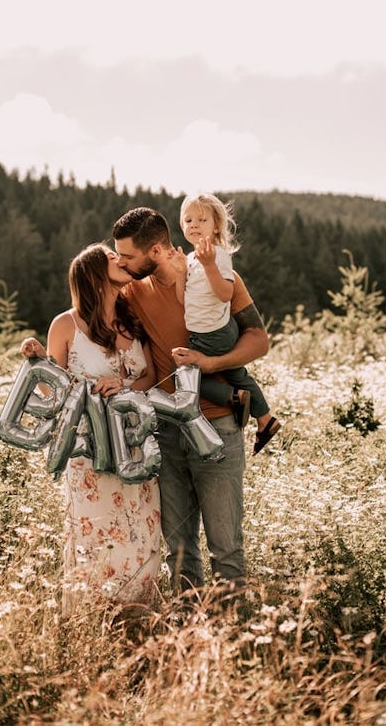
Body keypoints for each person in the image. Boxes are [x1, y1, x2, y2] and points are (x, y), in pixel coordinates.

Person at [112, 207, 270, 593]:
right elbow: (88, 312)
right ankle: (187, 633)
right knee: (178, 550)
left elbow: (258, 340)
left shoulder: (212, 277)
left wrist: (210, 362)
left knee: (226, 549)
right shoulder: (131, 292)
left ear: (154, 252)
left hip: (217, 425)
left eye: (129, 256)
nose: (122, 263)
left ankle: (230, 637)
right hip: (165, 430)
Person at [20, 243, 161, 616]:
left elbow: (149, 375)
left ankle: (136, 621)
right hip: (90, 449)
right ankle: (93, 619)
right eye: (111, 258)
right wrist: (36, 361)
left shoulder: (131, 319)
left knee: (142, 532)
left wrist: (126, 388)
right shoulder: (65, 324)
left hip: (134, 445)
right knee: (94, 533)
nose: (120, 259)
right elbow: (53, 390)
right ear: (95, 274)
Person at [171, 192, 280, 455]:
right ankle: (265, 419)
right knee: (237, 373)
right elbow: (182, 300)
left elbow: (225, 294)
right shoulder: (191, 258)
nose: (194, 225)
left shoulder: (217, 256)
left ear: (216, 226)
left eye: (201, 219)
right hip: (211, 330)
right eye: (188, 220)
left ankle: (231, 398)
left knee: (186, 377)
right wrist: (179, 273)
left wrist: (209, 266)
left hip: (212, 333)